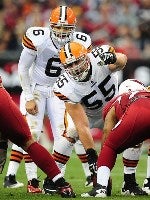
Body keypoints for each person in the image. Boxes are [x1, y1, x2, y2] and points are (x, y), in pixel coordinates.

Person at [4, 5, 93, 193]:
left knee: (63, 136)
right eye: (58, 27)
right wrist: (28, 96)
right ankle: (32, 181)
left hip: (60, 91)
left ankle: (53, 181)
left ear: (74, 27)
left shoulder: (81, 41)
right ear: (51, 25)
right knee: (32, 133)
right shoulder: (38, 37)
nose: (62, 31)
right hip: (36, 87)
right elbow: (22, 68)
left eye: (66, 28)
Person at [53, 41, 127, 194]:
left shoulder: (99, 58)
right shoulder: (65, 86)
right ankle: (53, 177)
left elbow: (122, 61)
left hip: (114, 110)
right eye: (69, 65)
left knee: (134, 133)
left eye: (78, 61)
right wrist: (91, 155)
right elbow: (82, 125)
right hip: (90, 114)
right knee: (72, 130)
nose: (75, 68)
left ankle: (130, 182)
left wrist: (113, 57)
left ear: (86, 57)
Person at [0, 76, 75, 198]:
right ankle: (60, 183)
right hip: (33, 89)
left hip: (52, 89)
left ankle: (26, 179)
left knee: (30, 137)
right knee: (27, 140)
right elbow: (24, 65)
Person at [81, 79, 150, 197]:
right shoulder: (146, 93)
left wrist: (103, 170)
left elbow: (107, 132)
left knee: (110, 146)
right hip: (141, 111)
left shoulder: (119, 99)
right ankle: (145, 183)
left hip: (137, 112)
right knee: (135, 140)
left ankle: (100, 188)